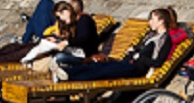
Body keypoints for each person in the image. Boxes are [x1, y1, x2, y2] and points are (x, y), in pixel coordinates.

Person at [53, 7, 182, 83]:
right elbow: (142, 48)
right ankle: (66, 72)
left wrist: (138, 56)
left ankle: (69, 76)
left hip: (136, 69)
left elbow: (157, 62)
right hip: (129, 62)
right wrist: (134, 50)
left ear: (161, 21)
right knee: (98, 65)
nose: (149, 22)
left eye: (152, 19)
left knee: (103, 71)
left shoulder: (165, 40)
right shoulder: (151, 35)